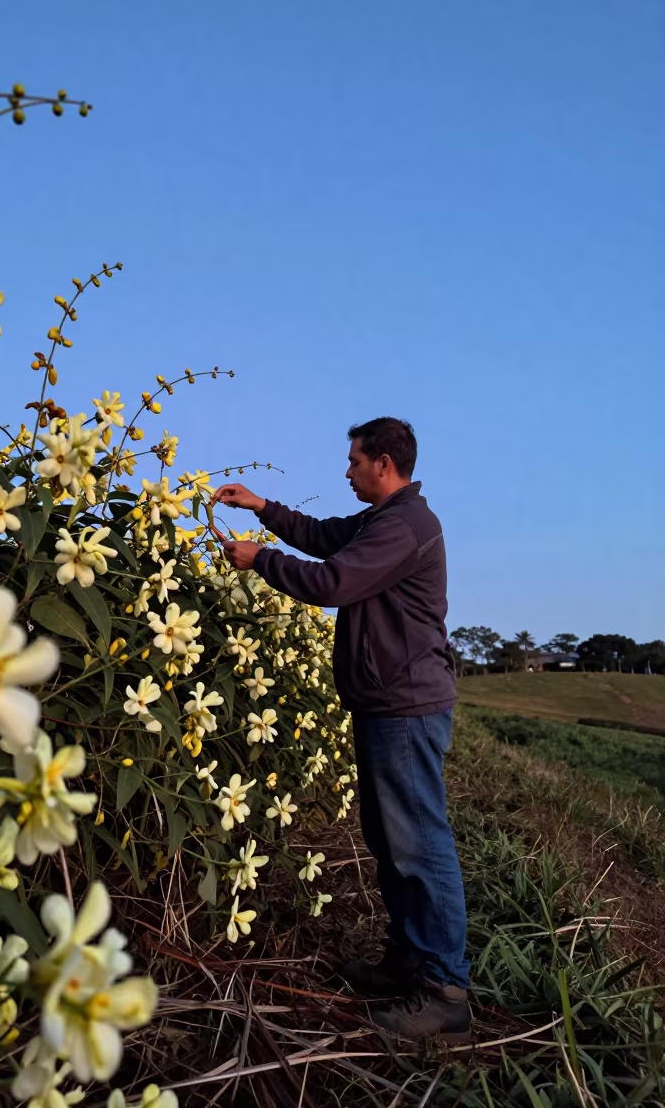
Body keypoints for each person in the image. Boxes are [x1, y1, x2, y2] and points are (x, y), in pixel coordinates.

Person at [211, 416, 471, 1043]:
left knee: (420, 845)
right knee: (391, 843)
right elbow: (326, 538)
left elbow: (334, 581)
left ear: (384, 463)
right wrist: (262, 507)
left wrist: (260, 559)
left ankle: (445, 992)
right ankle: (410, 961)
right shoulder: (383, 520)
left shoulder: (406, 525)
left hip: (405, 708)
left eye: (354, 461)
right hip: (385, 703)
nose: (346, 471)